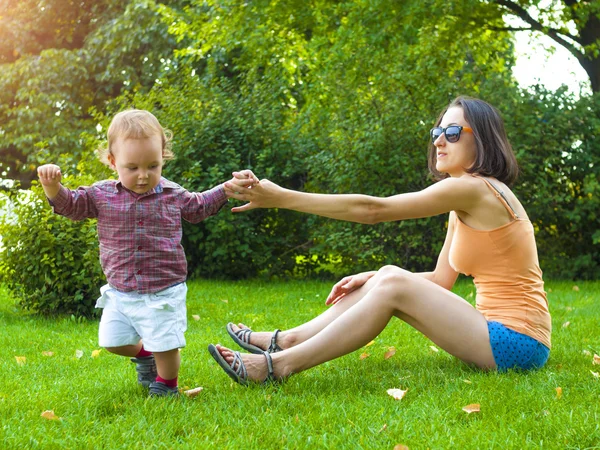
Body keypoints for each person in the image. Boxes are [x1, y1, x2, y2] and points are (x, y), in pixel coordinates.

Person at [208, 96, 552, 385]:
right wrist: (373, 279)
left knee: (392, 280)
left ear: (483, 139)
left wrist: (282, 197)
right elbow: (439, 280)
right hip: (492, 331)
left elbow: (373, 210)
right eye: (437, 131)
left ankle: (276, 366)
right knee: (387, 276)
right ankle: (286, 341)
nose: (438, 141)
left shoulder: (474, 189)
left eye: (452, 131)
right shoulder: (464, 199)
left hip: (519, 344)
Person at [37, 109, 255, 396]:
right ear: (113, 162)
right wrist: (53, 187)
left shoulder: (172, 194)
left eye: (153, 166)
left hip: (163, 289)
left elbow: (199, 206)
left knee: (165, 343)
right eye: (132, 168)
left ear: (163, 157)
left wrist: (227, 189)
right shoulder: (101, 195)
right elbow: (72, 206)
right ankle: (144, 355)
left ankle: (166, 386)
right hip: (121, 290)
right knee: (111, 340)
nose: (143, 176)